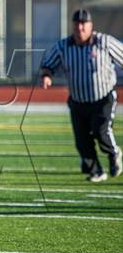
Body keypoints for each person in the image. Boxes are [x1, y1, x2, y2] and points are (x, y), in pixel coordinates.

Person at [40, 9, 122, 182]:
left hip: (103, 97)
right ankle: (96, 171)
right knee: (82, 140)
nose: (80, 28)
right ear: (72, 25)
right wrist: (47, 76)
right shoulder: (63, 46)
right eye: (77, 24)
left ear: (91, 25)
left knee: (101, 131)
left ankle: (114, 153)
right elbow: (48, 64)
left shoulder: (103, 42)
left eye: (84, 24)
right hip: (78, 100)